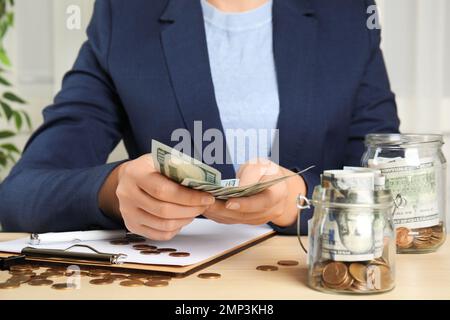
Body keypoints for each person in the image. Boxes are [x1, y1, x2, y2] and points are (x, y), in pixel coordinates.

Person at [0, 0, 399, 240]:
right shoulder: (124, 15)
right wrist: (114, 189)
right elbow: (20, 195)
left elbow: (386, 181)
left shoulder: (347, 13)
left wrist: (299, 200)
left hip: (309, 280)